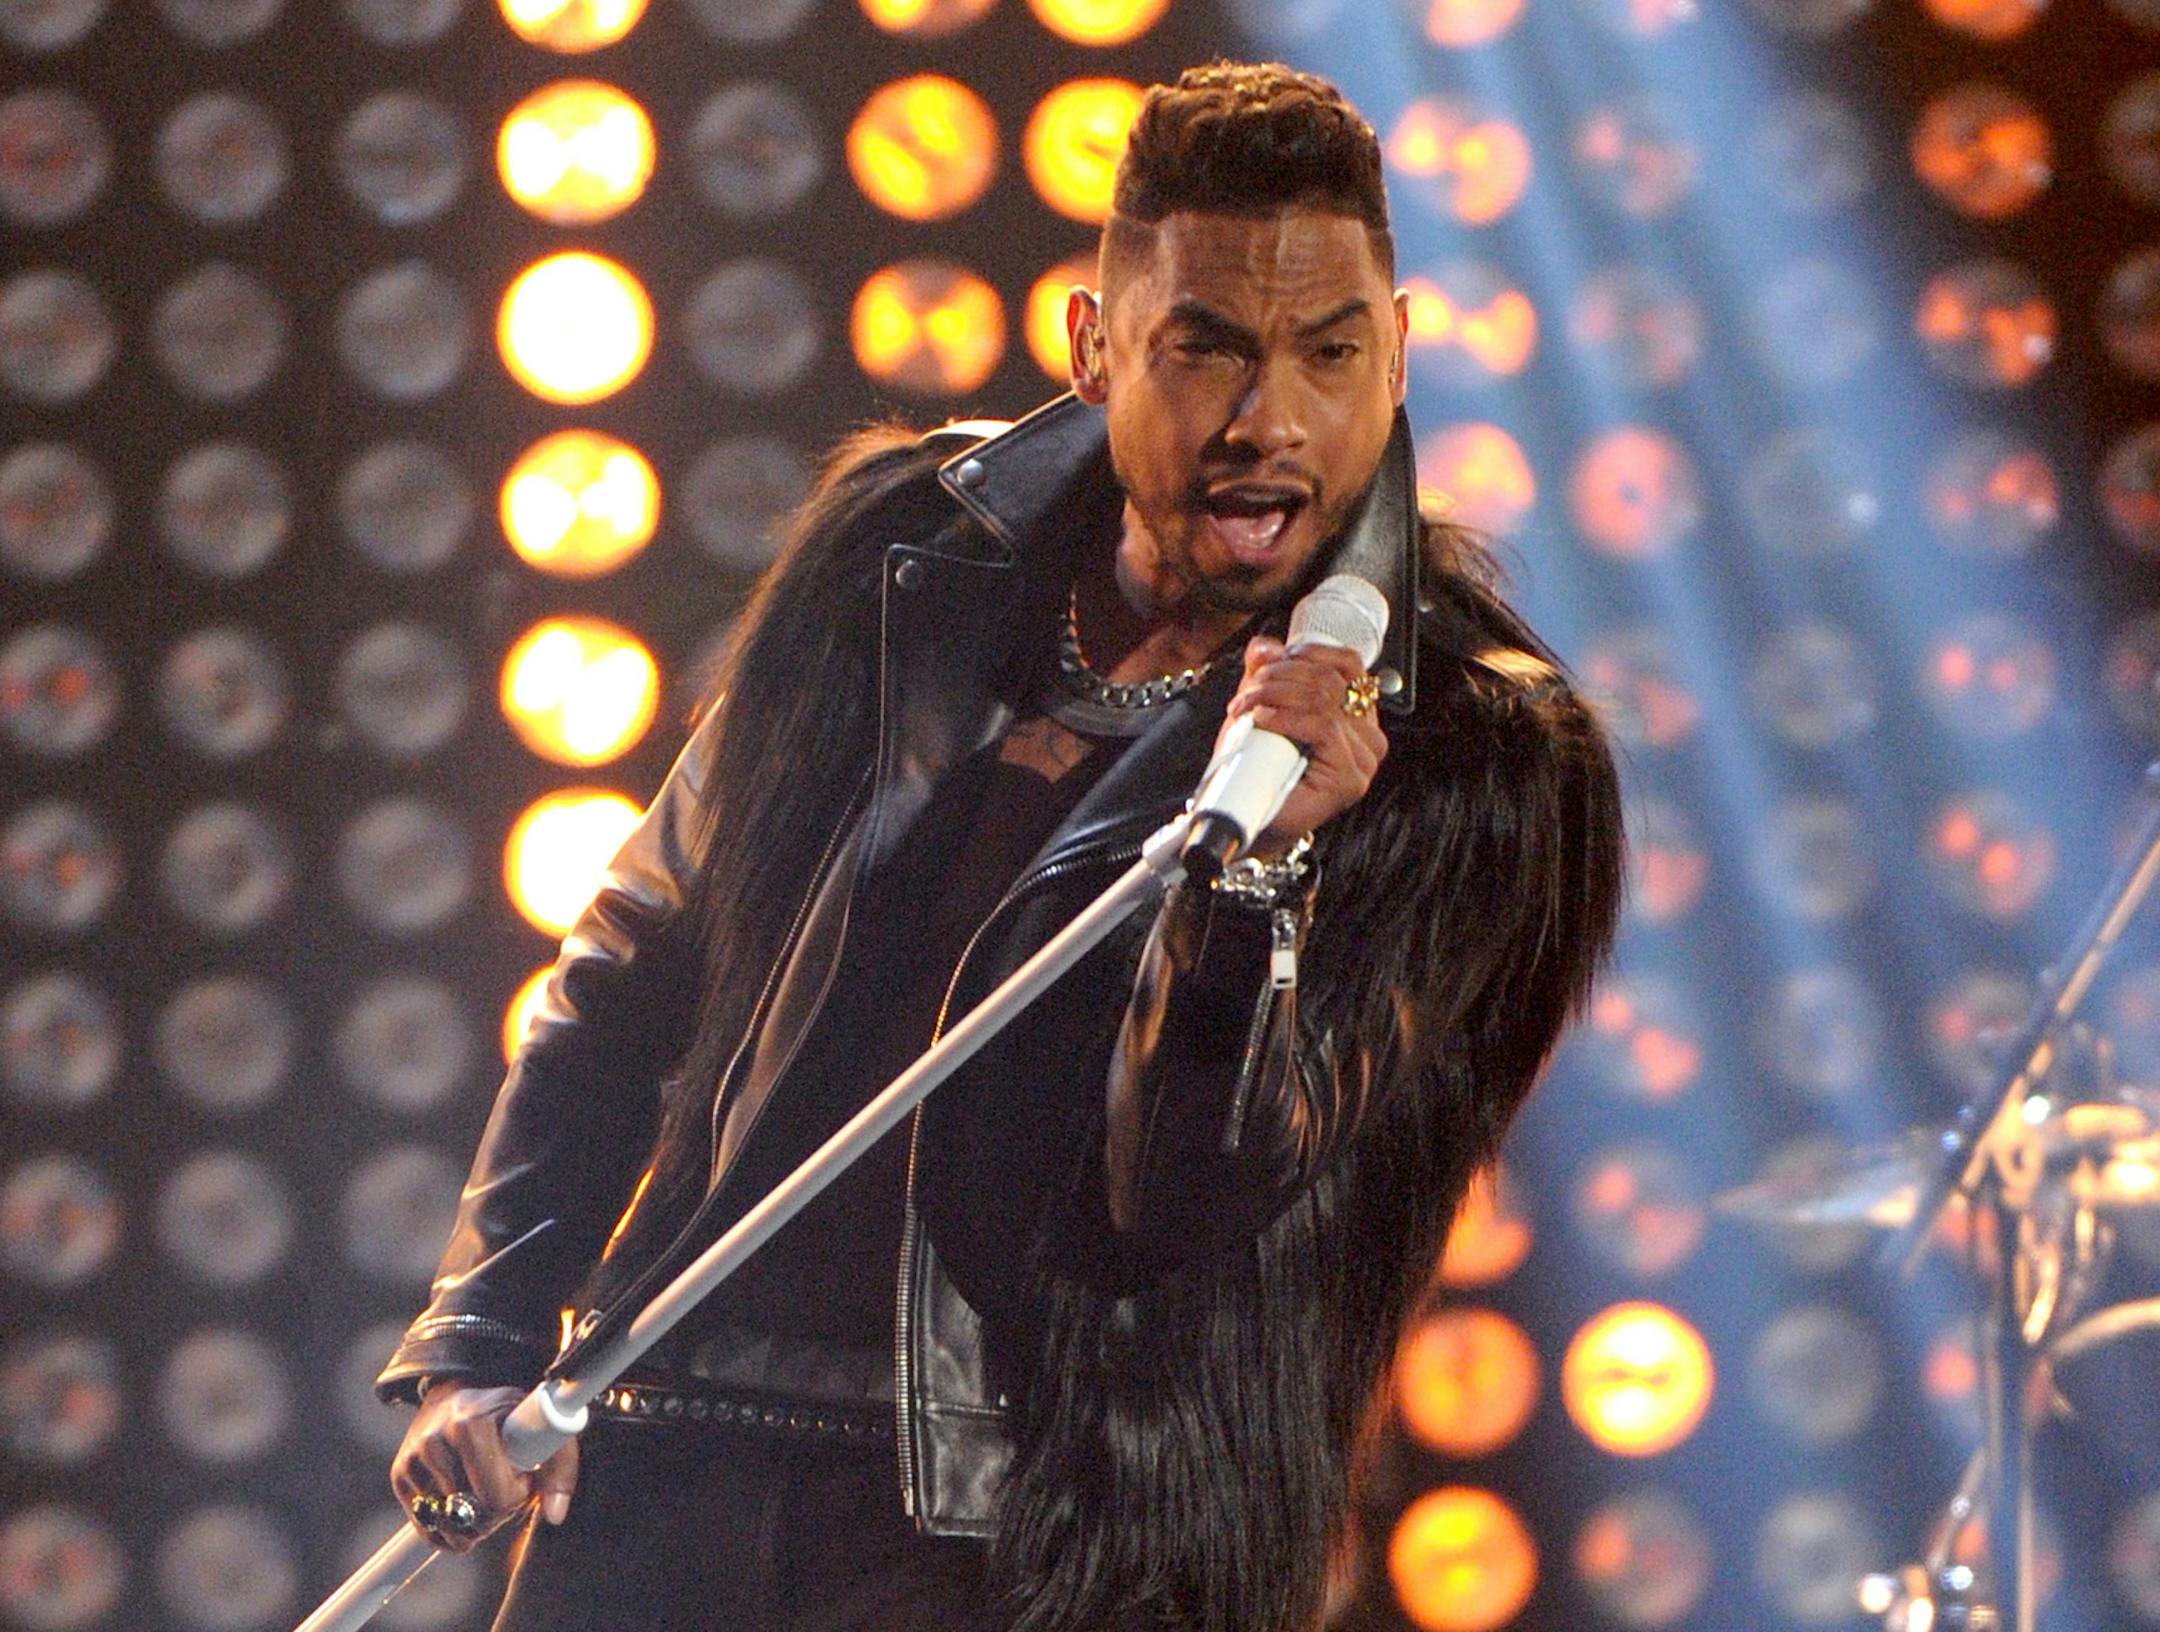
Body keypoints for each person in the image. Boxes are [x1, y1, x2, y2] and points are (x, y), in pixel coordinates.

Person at [378, 60, 1623, 1632]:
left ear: (1396, 360)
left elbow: (1183, 1202)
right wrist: (486, 1336)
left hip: (1045, 1537)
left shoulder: (1468, 753)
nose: (1270, 420)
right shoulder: (898, 558)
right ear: (1096, 352)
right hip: (673, 1450)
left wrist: (1252, 881)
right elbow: (639, 956)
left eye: (1331, 353)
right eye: (1210, 351)